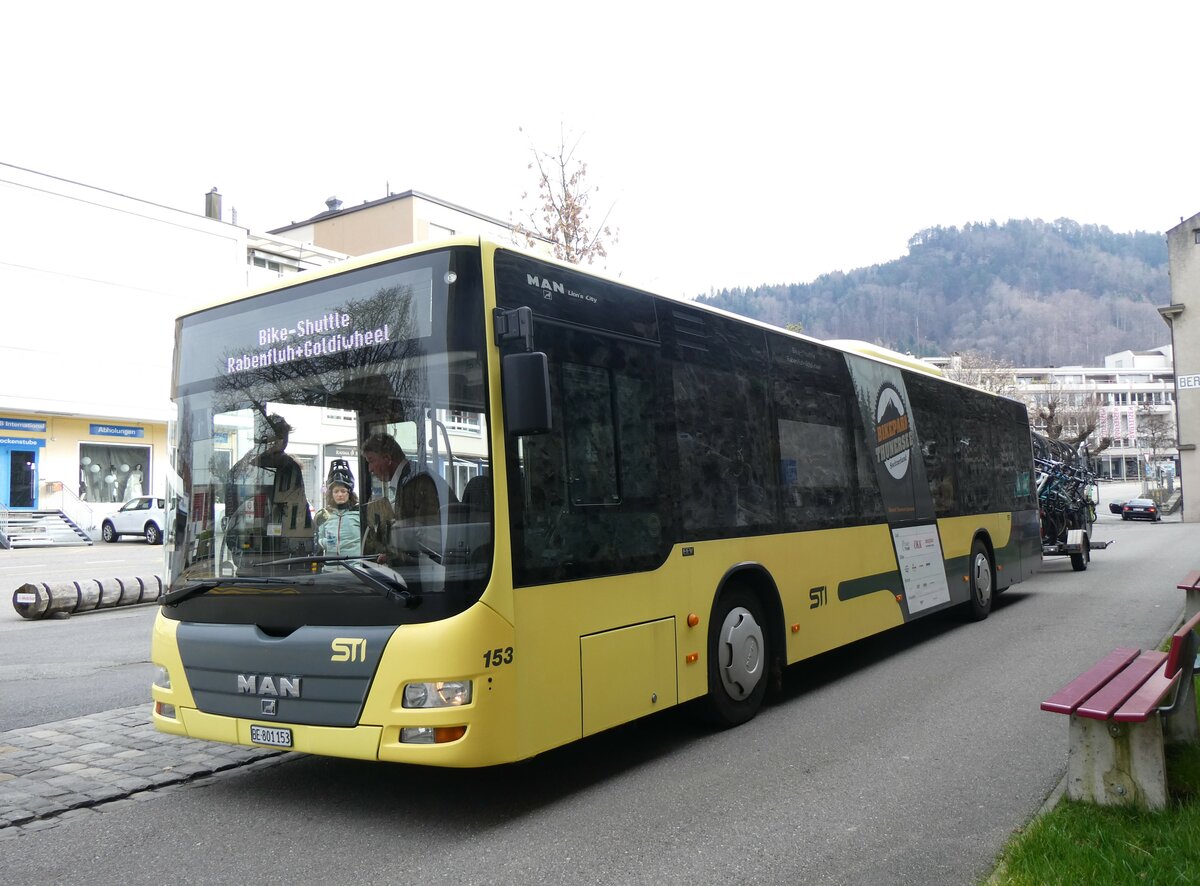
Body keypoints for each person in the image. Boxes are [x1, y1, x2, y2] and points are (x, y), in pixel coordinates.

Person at [361, 432, 441, 564]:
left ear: (387, 458)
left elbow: (426, 538)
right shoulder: (409, 477)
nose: (370, 469)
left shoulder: (415, 481)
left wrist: (394, 555)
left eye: (371, 461)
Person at [315, 459, 362, 558]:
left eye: (343, 491)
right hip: (330, 566)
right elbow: (317, 541)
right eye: (336, 491)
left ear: (349, 493)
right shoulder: (323, 515)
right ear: (331, 494)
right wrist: (325, 543)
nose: (340, 495)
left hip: (354, 565)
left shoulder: (359, 513)